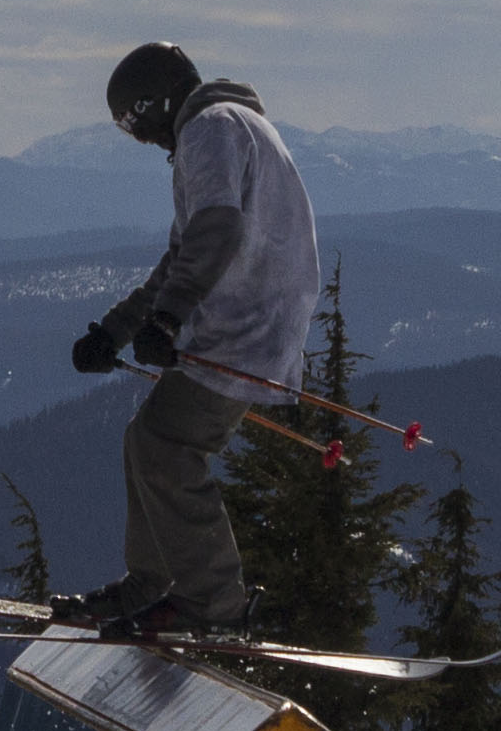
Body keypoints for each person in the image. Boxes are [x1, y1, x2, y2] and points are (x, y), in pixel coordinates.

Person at [64, 41, 322, 637]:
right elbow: (184, 252)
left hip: (243, 325)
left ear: (155, 102)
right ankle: (152, 582)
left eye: (133, 120)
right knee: (148, 440)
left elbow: (215, 229)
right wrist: (117, 328)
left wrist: (168, 319)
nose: (139, 137)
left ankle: (213, 604)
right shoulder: (232, 124)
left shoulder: (208, 128)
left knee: (167, 448)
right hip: (254, 319)